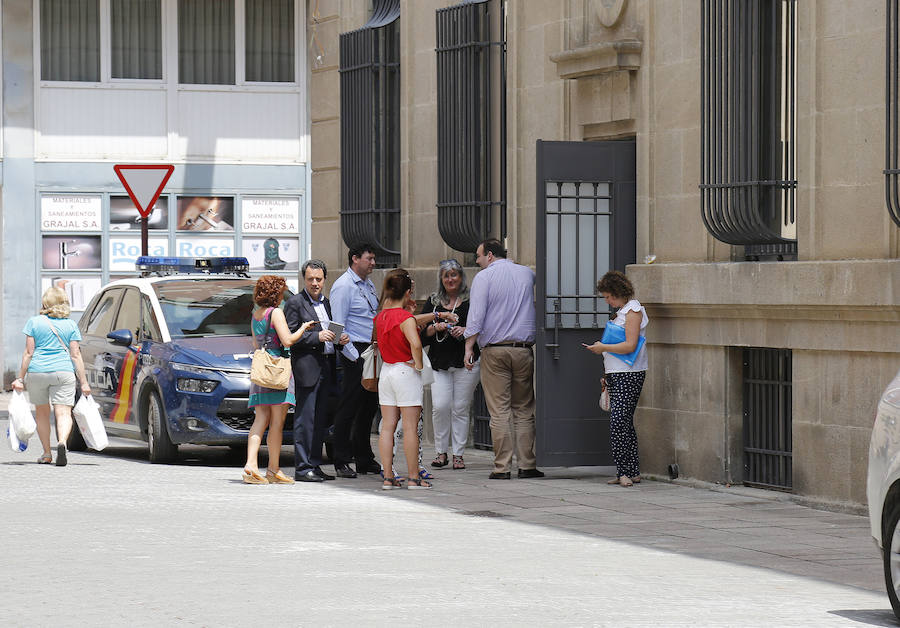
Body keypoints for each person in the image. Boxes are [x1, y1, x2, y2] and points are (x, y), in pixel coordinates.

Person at [464, 239, 544, 480]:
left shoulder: (484, 277)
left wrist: (469, 346)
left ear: (489, 255)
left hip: (495, 350)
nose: (477, 261)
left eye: (478, 256)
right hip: (523, 349)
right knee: (523, 409)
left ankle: (502, 467)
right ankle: (527, 465)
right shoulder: (527, 274)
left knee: (499, 411)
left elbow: (476, 316)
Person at [376, 270, 457, 490]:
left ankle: (388, 477)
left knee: (387, 428)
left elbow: (404, 323)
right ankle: (413, 477)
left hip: (386, 372)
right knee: (410, 427)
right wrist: (419, 365)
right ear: (408, 291)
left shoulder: (380, 316)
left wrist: (434, 315)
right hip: (405, 372)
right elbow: (416, 343)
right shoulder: (405, 318)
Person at [243, 276, 315, 485]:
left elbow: (257, 343)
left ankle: (251, 465)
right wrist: (303, 328)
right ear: (277, 293)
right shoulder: (276, 313)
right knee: (277, 422)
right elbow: (288, 340)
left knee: (260, 419)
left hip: (262, 372)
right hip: (278, 371)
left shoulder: (256, 315)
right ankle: (273, 469)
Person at [284, 260, 351, 482]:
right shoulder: (295, 303)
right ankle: (303, 468)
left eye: (319, 279)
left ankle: (315, 464)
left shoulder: (328, 303)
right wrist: (316, 336)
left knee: (321, 419)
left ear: (324, 280)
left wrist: (341, 339)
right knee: (306, 419)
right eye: (311, 279)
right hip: (307, 367)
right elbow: (290, 337)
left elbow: (331, 332)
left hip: (327, 365)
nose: (315, 283)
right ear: (304, 278)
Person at [583, 270, 649, 487]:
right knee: (625, 422)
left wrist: (603, 347)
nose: (607, 301)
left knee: (618, 422)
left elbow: (630, 345)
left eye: (608, 296)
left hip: (629, 373)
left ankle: (624, 472)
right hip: (616, 373)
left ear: (618, 292)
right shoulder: (622, 311)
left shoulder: (633, 310)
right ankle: (632, 470)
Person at [12, 287, 91, 466]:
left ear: (45, 302)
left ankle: (47, 453)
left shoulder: (34, 322)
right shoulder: (71, 325)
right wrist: (84, 382)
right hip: (63, 372)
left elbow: (28, 353)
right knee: (63, 411)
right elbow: (76, 355)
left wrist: (20, 378)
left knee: (42, 412)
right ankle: (62, 442)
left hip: (37, 372)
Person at [421, 259, 480, 470]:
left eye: (454, 274)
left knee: (460, 408)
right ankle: (441, 452)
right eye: (446, 275)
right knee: (440, 406)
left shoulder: (471, 300)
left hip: (466, 362)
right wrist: (436, 328)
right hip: (439, 362)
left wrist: (465, 331)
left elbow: (481, 325)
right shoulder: (434, 301)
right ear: (441, 279)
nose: (450, 279)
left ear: (461, 277)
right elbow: (422, 331)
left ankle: (458, 454)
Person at [328, 243, 382, 477]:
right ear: (355, 259)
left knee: (368, 408)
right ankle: (340, 459)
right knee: (349, 407)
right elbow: (336, 327)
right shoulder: (343, 286)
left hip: (370, 350)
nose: (373, 263)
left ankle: (364, 457)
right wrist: (352, 355)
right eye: (369, 259)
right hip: (355, 351)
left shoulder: (368, 285)